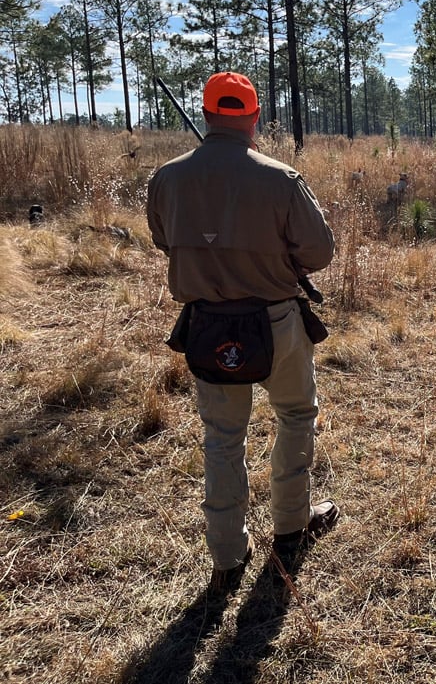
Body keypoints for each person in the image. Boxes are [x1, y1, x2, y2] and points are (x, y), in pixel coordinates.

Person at [147, 71, 339, 596]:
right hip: (277, 322)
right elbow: (320, 253)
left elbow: (165, 240)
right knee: (296, 416)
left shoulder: (166, 179)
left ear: (207, 115)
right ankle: (292, 529)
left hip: (208, 325)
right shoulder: (282, 179)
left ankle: (227, 554)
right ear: (253, 118)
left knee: (223, 438)